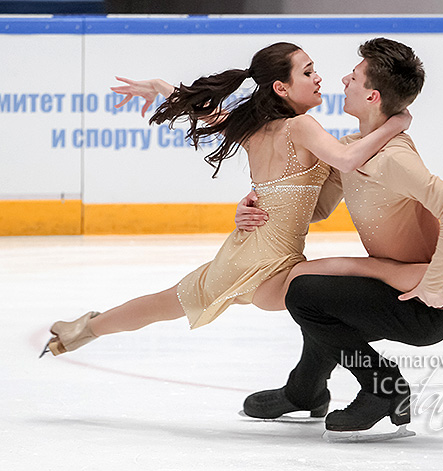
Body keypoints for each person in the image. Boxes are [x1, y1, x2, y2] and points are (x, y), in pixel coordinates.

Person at [238, 38, 443, 434]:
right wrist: (255, 204)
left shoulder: (395, 158)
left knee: (304, 293)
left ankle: (382, 388)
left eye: (353, 77)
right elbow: (317, 209)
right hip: (397, 287)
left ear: (371, 95)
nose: (342, 79)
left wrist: (435, 283)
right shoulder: (354, 148)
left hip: (421, 307)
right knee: (320, 301)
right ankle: (304, 392)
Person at [40, 42, 417, 357]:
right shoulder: (301, 126)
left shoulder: (252, 128)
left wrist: (160, 86)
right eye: (307, 72)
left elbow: (210, 115)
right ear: (281, 88)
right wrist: (394, 124)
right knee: (372, 270)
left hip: (246, 255)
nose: (318, 77)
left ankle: (84, 329)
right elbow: (347, 159)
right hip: (271, 266)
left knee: (163, 304)